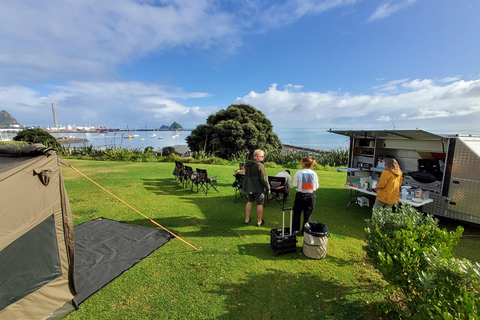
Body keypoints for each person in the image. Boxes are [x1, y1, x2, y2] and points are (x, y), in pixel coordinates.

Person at [242, 149, 270, 226]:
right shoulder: (260, 165)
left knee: (249, 202)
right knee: (259, 204)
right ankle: (259, 221)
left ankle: (247, 219)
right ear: (257, 157)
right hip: (258, 188)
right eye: (262, 156)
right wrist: (268, 188)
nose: (263, 158)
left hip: (249, 188)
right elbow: (264, 179)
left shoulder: (247, 164)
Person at [292, 157, 319, 234]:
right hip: (311, 195)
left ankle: (294, 230)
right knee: (307, 214)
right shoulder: (314, 173)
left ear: (304, 163)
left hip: (301, 195)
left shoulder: (299, 172)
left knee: (297, 213)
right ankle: (305, 231)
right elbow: (316, 186)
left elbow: (295, 185)